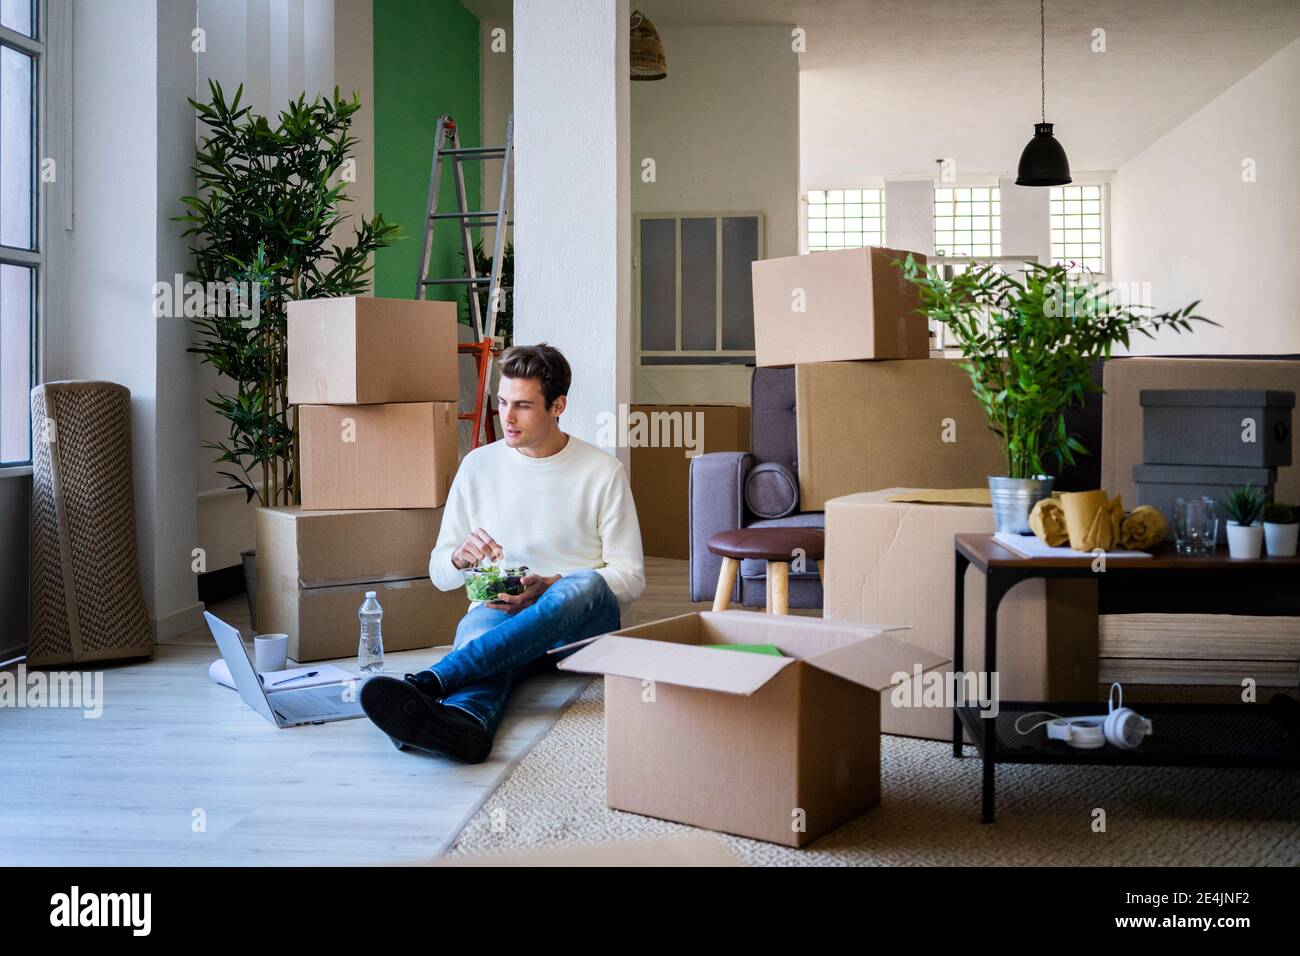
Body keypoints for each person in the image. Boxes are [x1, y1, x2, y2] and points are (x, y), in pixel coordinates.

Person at [359, 343, 645, 762]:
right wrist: (458, 557)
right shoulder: (478, 466)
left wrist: (551, 584)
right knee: (483, 630)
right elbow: (440, 574)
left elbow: (631, 577)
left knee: (583, 581)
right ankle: (464, 727)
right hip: (503, 611)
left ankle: (434, 680)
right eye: (503, 402)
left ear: (558, 405)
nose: (506, 418)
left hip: (578, 629)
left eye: (523, 406)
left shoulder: (602, 471)